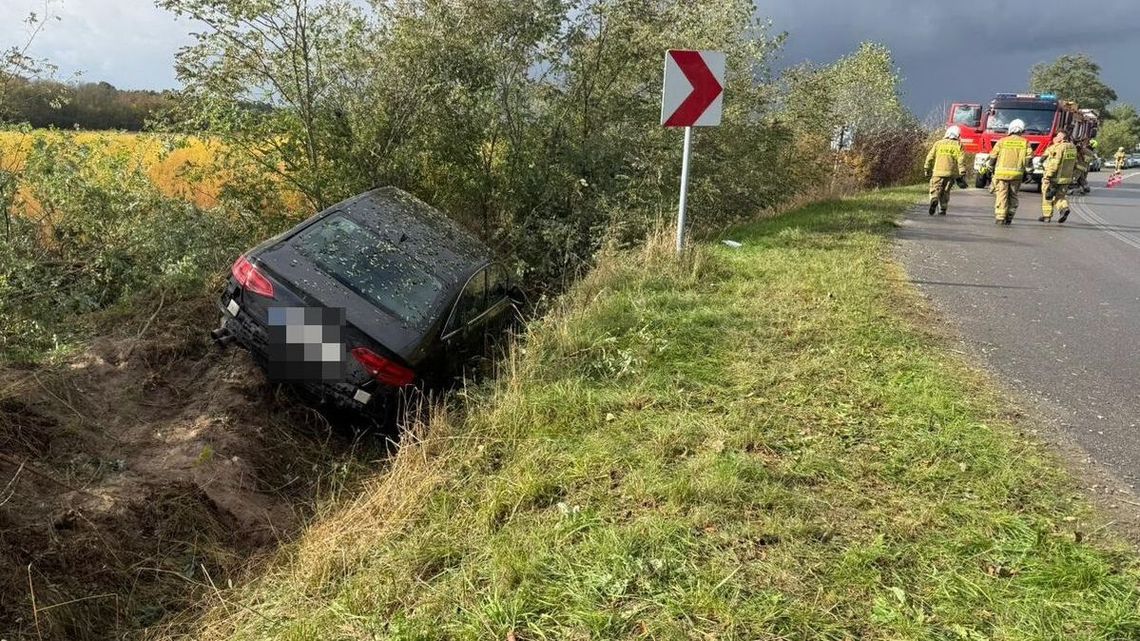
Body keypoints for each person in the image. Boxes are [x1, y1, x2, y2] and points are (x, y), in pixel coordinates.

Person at [984, 119, 1032, 225]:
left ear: (1010, 129)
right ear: (1021, 130)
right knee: (1013, 195)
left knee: (1002, 195)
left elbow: (993, 156)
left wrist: (990, 167)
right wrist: (1029, 172)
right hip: (1017, 175)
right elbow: (1028, 159)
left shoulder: (1002, 141)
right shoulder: (1025, 142)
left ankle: (1000, 217)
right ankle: (1010, 216)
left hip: (1001, 174)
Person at [924, 125, 966, 215]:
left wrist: (927, 168)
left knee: (935, 188)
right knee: (945, 191)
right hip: (950, 174)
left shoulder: (938, 143)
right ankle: (943, 208)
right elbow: (960, 160)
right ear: (958, 135)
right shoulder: (958, 145)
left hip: (937, 172)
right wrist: (962, 172)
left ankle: (934, 198)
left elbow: (930, 157)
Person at [1041, 131, 1078, 223]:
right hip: (1066, 178)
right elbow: (1075, 163)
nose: (1056, 137)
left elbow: (1054, 163)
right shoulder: (1073, 147)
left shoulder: (1059, 148)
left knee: (1047, 196)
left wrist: (1048, 176)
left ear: (1062, 138)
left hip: (1055, 178)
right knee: (1060, 196)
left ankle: (1047, 216)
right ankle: (1064, 208)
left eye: (1057, 136)